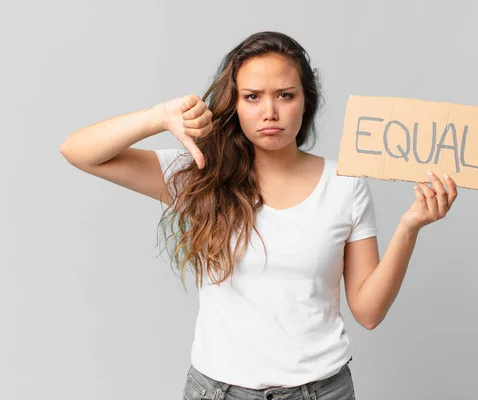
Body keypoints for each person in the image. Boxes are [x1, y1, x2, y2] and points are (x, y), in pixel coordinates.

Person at [60, 31, 457, 400]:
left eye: (285, 95)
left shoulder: (345, 184)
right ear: (234, 104)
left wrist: (409, 228)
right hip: (217, 391)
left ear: (307, 102)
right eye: (252, 97)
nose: (270, 111)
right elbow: (78, 151)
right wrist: (159, 117)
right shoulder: (200, 173)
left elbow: (368, 312)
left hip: (320, 391)